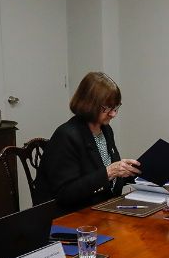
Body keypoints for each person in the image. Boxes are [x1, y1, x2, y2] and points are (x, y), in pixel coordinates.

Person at [36, 72, 141, 211]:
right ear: (88, 104)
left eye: (116, 107)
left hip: (102, 209)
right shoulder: (66, 135)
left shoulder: (105, 130)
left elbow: (108, 179)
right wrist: (109, 172)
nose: (113, 114)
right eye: (107, 108)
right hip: (70, 217)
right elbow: (64, 194)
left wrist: (132, 171)